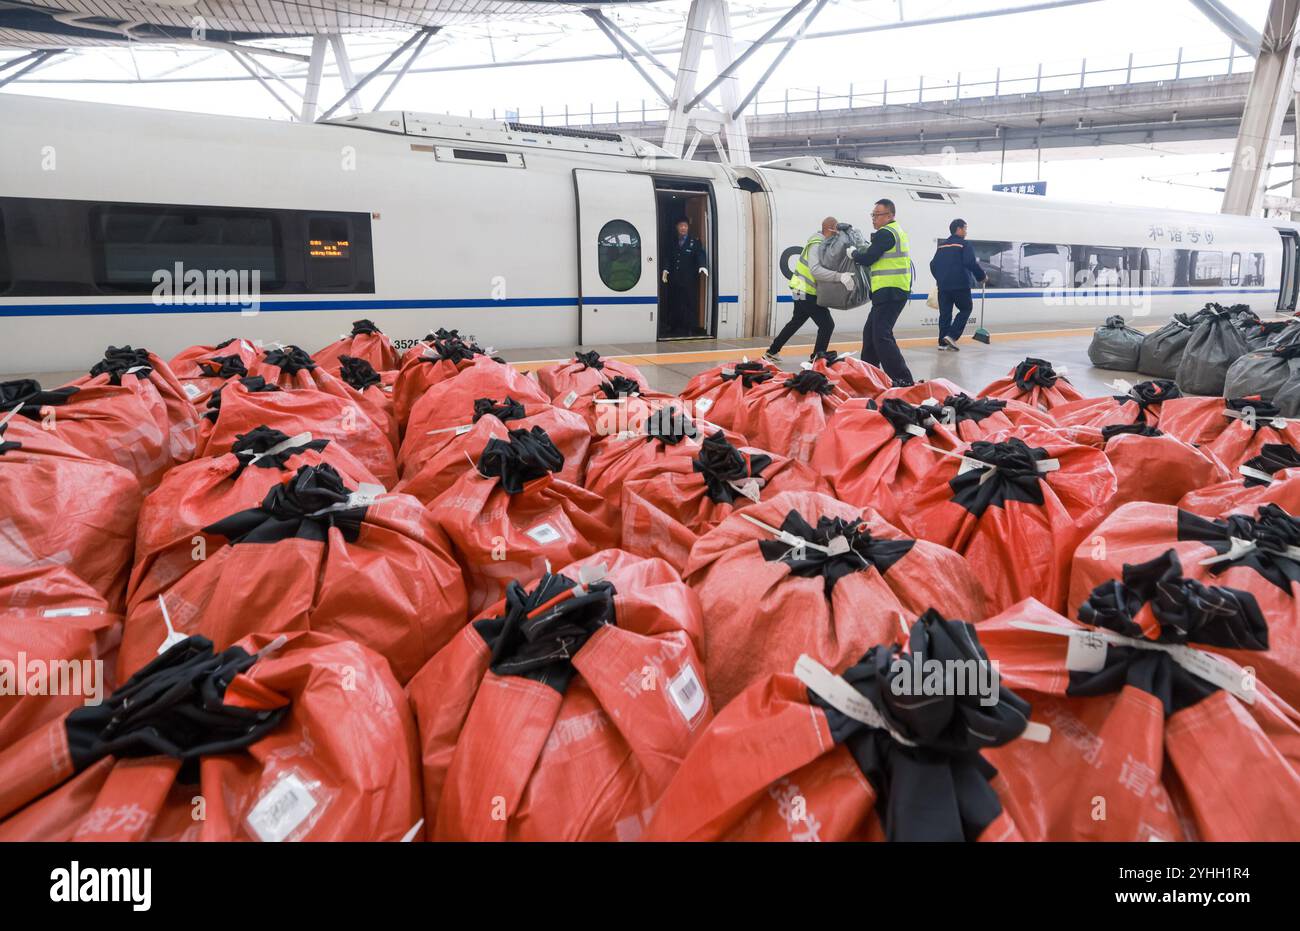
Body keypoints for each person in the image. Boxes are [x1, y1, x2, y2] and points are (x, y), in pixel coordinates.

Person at [849, 198, 915, 384]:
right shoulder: (894, 232)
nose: (874, 219)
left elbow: (869, 257)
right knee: (870, 333)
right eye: (873, 215)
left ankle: (903, 379)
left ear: (890, 215)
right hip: (888, 292)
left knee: (881, 335)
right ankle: (868, 375)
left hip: (890, 291)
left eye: (877, 215)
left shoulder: (886, 233)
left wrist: (853, 254)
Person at [764, 216, 843, 363]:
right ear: (830, 229)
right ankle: (817, 359)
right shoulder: (817, 245)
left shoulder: (818, 243)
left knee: (797, 320)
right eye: (836, 231)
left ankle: (772, 352)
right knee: (827, 325)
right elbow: (815, 270)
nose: (837, 235)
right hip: (806, 292)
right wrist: (840, 277)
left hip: (800, 289)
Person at [928, 218, 988, 352]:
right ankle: (952, 336)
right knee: (966, 309)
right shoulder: (964, 244)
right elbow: (970, 262)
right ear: (959, 229)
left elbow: (933, 265)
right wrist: (982, 276)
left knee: (945, 314)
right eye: (965, 228)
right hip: (960, 285)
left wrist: (940, 278)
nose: (966, 232)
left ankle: (942, 343)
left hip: (943, 287)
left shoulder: (942, 246)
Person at [662, 218, 709, 337]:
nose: (683, 228)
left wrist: (702, 266)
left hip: (689, 280)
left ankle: (689, 328)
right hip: (674, 280)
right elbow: (668, 257)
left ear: (688, 228)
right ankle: (673, 326)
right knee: (674, 303)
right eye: (681, 226)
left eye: (685, 226)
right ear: (676, 227)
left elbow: (700, 254)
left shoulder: (694, 241)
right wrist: (665, 269)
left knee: (689, 304)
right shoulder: (673, 241)